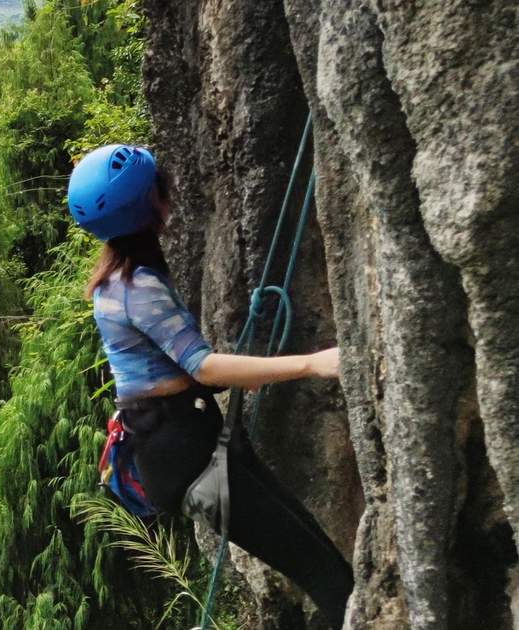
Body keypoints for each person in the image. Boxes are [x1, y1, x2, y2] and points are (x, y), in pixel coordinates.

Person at [67, 143, 353, 629]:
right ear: (151, 202)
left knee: (323, 563)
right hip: (188, 458)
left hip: (184, 448)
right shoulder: (139, 288)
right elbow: (204, 368)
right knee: (329, 578)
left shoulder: (117, 279)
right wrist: (310, 364)